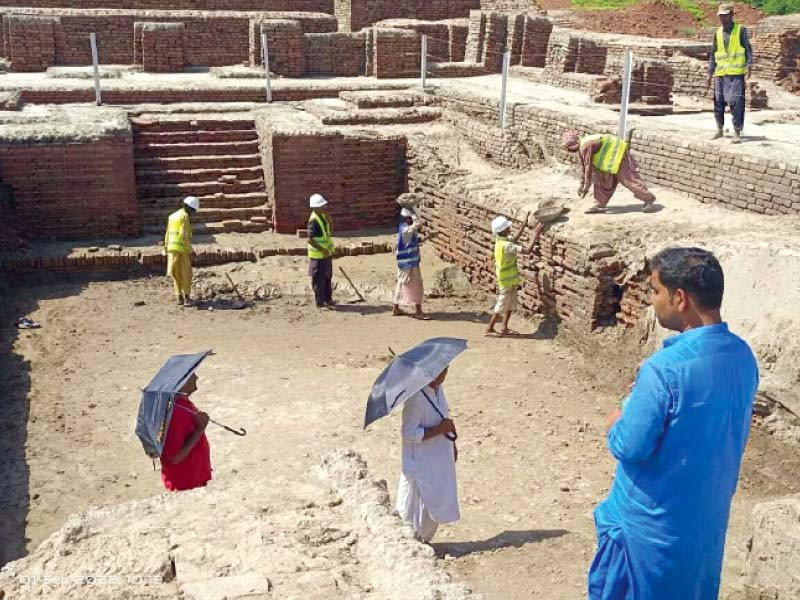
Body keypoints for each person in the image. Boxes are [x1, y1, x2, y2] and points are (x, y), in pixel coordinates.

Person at [588, 247, 759, 600]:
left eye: (655, 291)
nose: (652, 301)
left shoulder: (665, 368)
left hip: (650, 529)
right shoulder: (742, 356)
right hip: (704, 519)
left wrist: (618, 417)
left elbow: (629, 445)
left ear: (679, 298)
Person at [397, 366, 459, 542]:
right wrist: (439, 430)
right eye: (442, 370)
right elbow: (409, 433)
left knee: (437, 497)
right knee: (413, 505)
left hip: (438, 459)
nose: (445, 373)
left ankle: (424, 539)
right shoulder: (415, 399)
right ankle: (408, 541)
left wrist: (452, 444)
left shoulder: (439, 390)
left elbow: (444, 416)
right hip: (420, 462)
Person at [562, 130, 657, 215]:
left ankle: (649, 198)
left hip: (617, 154)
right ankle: (599, 204)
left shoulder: (586, 146)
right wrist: (581, 185)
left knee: (628, 180)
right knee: (602, 179)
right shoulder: (582, 147)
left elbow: (588, 167)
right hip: (608, 159)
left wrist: (586, 186)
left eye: (568, 148)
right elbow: (583, 167)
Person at [485, 215, 544, 337]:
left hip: (510, 279)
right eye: (507, 227)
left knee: (511, 304)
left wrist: (523, 226)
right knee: (501, 305)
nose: (509, 229)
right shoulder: (506, 246)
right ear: (503, 230)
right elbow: (527, 251)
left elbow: (514, 238)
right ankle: (489, 329)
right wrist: (535, 234)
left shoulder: (501, 240)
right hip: (506, 281)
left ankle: (504, 327)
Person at [707, 3, 754, 144]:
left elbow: (747, 49)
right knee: (718, 103)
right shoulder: (717, 33)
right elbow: (713, 54)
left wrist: (749, 65)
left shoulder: (740, 30)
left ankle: (737, 132)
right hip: (720, 73)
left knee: (736, 103)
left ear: (732, 15)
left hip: (735, 74)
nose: (723, 19)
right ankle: (719, 129)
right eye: (721, 16)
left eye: (726, 15)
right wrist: (709, 73)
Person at [160, 372, 212, 491]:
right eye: (191, 375)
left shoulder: (185, 404)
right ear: (181, 382)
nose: (196, 377)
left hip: (196, 479)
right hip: (185, 484)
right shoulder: (175, 413)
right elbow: (175, 458)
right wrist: (199, 430)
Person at [392, 208, 430, 320]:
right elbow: (416, 224)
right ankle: (418, 311)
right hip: (409, 262)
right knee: (416, 284)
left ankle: (396, 307)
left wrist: (428, 237)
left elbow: (414, 241)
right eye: (410, 218)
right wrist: (414, 214)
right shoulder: (406, 230)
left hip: (405, 262)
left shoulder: (404, 228)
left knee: (402, 282)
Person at [164, 196, 198, 306]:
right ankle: (187, 298)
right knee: (186, 273)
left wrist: (166, 248)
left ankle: (179, 297)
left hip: (171, 249)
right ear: (189, 207)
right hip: (181, 249)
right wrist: (190, 250)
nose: (193, 213)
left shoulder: (172, 216)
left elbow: (167, 234)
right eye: (193, 210)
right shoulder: (184, 216)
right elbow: (183, 235)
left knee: (176, 273)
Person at [307, 193, 336, 309]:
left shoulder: (323, 217)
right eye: (321, 206)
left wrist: (330, 222)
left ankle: (328, 299)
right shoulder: (313, 221)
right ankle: (319, 301)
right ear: (315, 207)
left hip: (326, 253)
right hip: (318, 255)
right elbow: (310, 239)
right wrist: (322, 250)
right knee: (318, 279)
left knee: (327, 276)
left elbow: (329, 234)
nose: (324, 207)